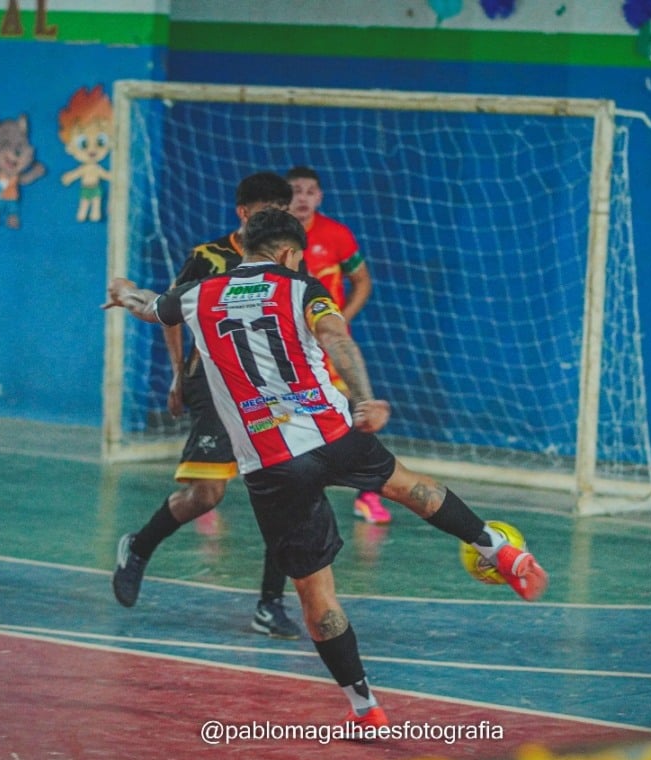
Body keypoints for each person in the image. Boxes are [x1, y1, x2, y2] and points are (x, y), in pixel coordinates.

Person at [103, 207, 548, 729]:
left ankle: (365, 706)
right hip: (330, 430)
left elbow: (149, 307)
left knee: (317, 596)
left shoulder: (200, 293)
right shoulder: (301, 287)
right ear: (290, 252)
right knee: (413, 488)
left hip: (269, 461)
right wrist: (364, 398)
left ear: (244, 246)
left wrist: (124, 291)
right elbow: (337, 338)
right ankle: (496, 548)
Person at [111, 172, 302, 641]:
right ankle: (138, 545)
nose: (277, 218)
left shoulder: (289, 259)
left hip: (270, 392)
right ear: (243, 213)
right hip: (215, 385)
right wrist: (178, 372)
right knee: (207, 496)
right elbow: (170, 311)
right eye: (267, 210)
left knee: (288, 496)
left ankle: (270, 604)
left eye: (283, 210)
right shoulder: (208, 258)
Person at [285, 165, 389, 525]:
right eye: (296, 190)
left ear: (320, 197)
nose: (303, 197)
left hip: (327, 348)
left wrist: (340, 319)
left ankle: (368, 494)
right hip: (284, 350)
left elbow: (362, 281)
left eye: (310, 190)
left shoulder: (337, 235)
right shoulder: (273, 238)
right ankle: (212, 482)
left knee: (357, 412)